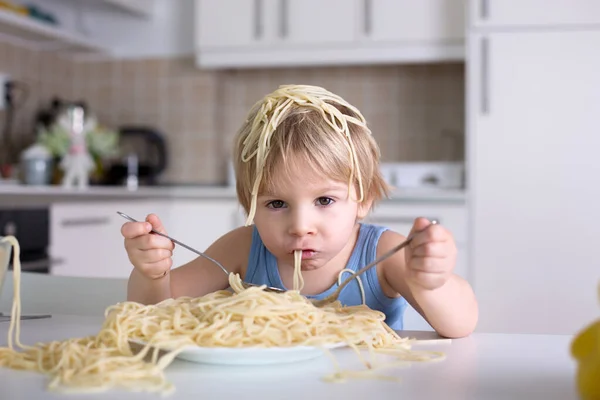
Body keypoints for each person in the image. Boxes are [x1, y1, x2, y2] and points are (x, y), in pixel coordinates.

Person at [121, 84, 478, 338]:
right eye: (276, 204)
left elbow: (461, 324)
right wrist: (152, 274)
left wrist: (432, 283)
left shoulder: (382, 254)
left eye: (324, 200)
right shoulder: (243, 248)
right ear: (250, 206)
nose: (301, 226)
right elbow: (155, 312)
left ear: (364, 198)